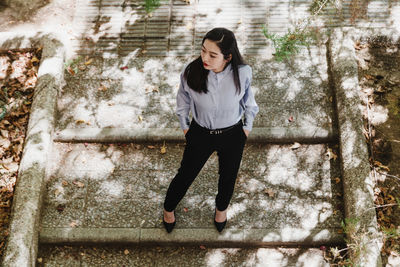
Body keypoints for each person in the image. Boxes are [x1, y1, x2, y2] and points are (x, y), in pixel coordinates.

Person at [162, 27, 259, 233]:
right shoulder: (191, 72)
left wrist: (246, 128)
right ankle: (168, 208)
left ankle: (221, 210)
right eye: (203, 50)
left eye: (213, 55)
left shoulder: (243, 73)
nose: (205, 57)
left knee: (228, 175)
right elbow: (183, 102)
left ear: (228, 57)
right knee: (186, 173)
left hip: (232, 134)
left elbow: (249, 102)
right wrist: (186, 127)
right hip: (200, 133)